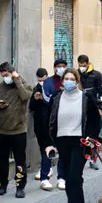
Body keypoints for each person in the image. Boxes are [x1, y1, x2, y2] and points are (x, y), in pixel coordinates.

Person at [44, 68, 101, 203]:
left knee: (74, 175)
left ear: (77, 81)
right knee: (69, 177)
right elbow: (48, 119)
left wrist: (92, 138)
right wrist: (48, 143)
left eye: (72, 78)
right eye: (66, 78)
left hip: (80, 141)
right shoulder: (56, 97)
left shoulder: (86, 97)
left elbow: (95, 120)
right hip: (62, 141)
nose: (68, 81)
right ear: (62, 81)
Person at [0, 62, 33, 198]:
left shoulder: (23, 85)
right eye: (3, 75)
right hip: (1, 130)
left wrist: (17, 80)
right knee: (2, 160)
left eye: (7, 75)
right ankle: (2, 184)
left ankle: (20, 186)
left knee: (20, 160)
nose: (5, 78)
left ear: (13, 72)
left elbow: (25, 97)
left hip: (18, 130)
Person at [43, 59, 68, 189]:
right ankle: (44, 177)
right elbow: (46, 99)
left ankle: (62, 177)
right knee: (48, 150)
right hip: (51, 122)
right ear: (54, 68)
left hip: (66, 124)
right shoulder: (49, 82)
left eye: (64, 66)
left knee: (63, 152)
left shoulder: (70, 82)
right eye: (59, 67)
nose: (61, 69)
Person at [77, 55, 102, 169]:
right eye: (79, 65)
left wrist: (101, 108)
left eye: (83, 65)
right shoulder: (77, 74)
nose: (81, 67)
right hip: (80, 109)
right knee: (81, 135)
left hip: (93, 109)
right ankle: (82, 156)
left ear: (88, 63)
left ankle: (93, 159)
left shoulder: (96, 75)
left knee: (93, 136)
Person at [29, 68, 55, 188]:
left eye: (42, 80)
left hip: (50, 124)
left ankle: (45, 172)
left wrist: (43, 100)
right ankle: (47, 167)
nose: (41, 82)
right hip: (39, 124)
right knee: (42, 147)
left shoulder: (51, 88)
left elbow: (53, 104)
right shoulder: (36, 89)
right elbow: (31, 107)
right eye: (39, 80)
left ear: (46, 77)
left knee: (48, 148)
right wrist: (35, 99)